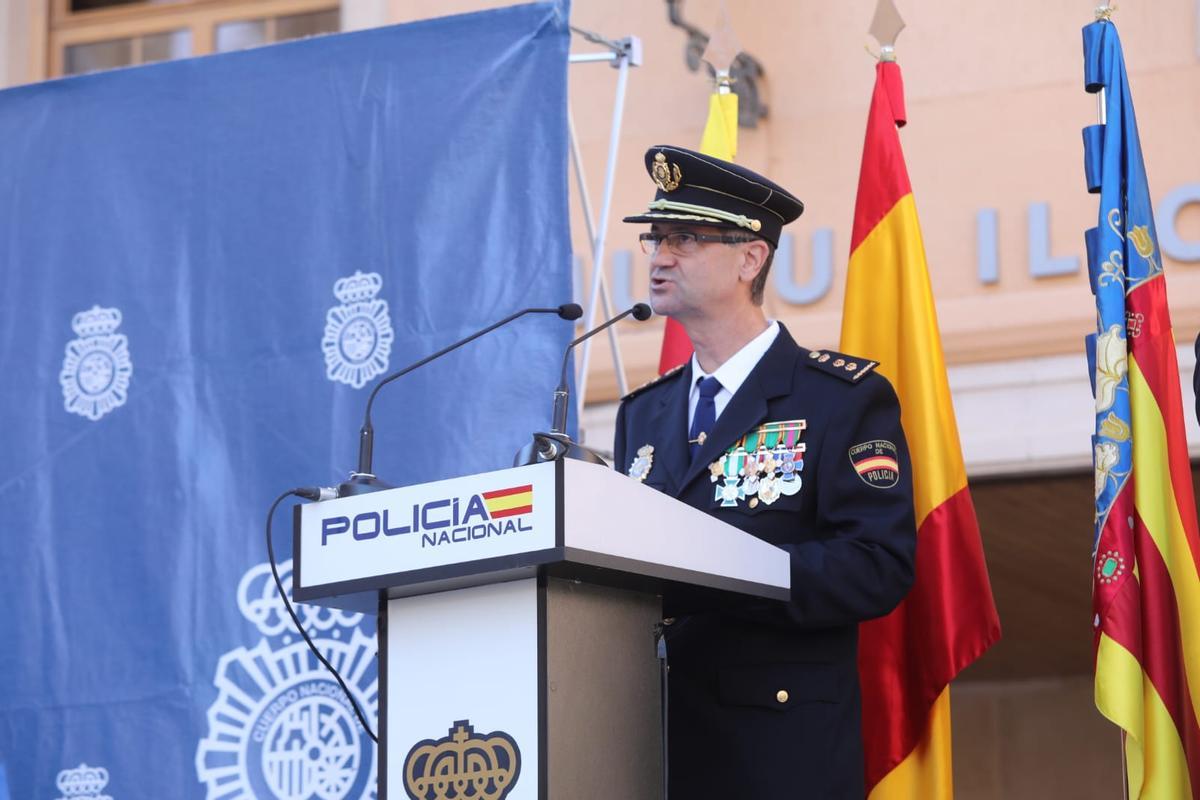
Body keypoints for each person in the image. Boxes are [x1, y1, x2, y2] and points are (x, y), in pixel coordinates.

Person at [614, 145, 917, 798]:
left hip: (778, 760)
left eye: (684, 239)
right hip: (653, 757)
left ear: (750, 258)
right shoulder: (642, 414)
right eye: (655, 238)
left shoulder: (837, 399)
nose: (660, 257)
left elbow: (876, 565)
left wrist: (722, 573)